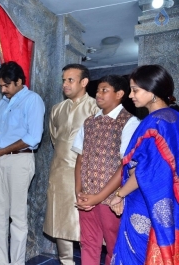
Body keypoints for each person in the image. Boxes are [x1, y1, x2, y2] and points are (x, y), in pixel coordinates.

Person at [108, 65, 179, 264]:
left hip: (146, 203)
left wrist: (119, 194)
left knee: (135, 255)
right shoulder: (175, 120)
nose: (131, 95)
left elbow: (144, 172)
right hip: (169, 201)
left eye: (136, 90)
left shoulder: (154, 123)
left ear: (153, 91)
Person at [71, 75, 140, 265]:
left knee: (113, 246)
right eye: (98, 90)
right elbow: (80, 158)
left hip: (111, 198)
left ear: (119, 94)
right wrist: (79, 191)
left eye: (104, 90)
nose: (98, 94)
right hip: (87, 196)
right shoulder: (89, 121)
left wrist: (99, 197)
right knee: (88, 243)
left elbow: (125, 165)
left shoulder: (129, 122)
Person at [0, 61, 45, 265]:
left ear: (19, 81)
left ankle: (17, 262)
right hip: (0, 161)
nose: (3, 89)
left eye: (7, 85)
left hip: (20, 160)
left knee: (17, 215)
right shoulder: (1, 103)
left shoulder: (32, 100)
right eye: (1, 85)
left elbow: (33, 136)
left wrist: (0, 151)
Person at [43, 64, 99, 265]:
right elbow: (55, 139)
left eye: (70, 80)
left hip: (86, 176)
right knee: (60, 221)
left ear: (84, 82)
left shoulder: (96, 107)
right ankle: (66, 262)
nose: (65, 84)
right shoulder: (57, 109)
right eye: (64, 80)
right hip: (59, 173)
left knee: (86, 225)